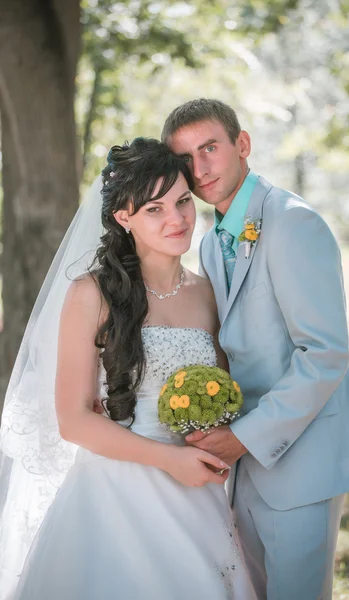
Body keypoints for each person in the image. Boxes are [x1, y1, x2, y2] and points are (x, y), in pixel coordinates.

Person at [0, 138, 257, 600]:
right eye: (154, 210)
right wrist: (170, 459)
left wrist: (211, 435)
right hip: (112, 491)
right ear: (124, 217)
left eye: (182, 202)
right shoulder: (91, 294)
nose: (176, 219)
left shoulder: (209, 294)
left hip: (195, 489)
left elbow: (223, 392)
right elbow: (74, 420)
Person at [162, 98, 349, 600]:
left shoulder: (291, 222)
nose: (199, 169)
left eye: (210, 148)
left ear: (242, 145)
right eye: (185, 158)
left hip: (303, 459)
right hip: (246, 473)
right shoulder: (208, 240)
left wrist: (243, 437)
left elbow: (324, 354)